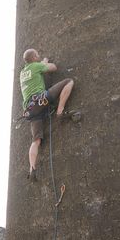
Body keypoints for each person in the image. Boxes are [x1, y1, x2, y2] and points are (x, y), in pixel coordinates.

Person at [19, 48, 75, 180]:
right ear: (33, 58)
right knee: (69, 82)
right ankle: (60, 111)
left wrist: (41, 63)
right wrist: (44, 63)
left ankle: (32, 168)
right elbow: (53, 67)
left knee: (36, 141)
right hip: (40, 100)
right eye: (37, 55)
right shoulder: (36, 66)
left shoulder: (22, 73)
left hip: (30, 110)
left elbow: (36, 70)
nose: (39, 56)